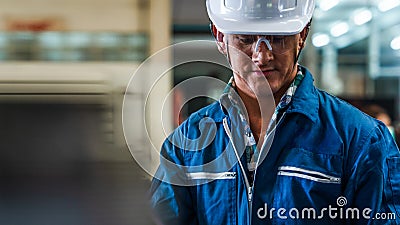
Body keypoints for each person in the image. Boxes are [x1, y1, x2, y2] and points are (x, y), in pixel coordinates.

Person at [150, 0, 400, 224]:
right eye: (246, 40)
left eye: (277, 38)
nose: (262, 56)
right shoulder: (185, 146)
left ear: (302, 35)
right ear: (219, 37)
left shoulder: (362, 140)